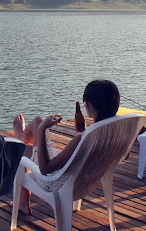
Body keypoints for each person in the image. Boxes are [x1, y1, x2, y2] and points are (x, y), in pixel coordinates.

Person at [12, 79, 120, 214]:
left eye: (84, 101)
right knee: (28, 146)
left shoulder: (84, 138)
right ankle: (21, 139)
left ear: (90, 106)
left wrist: (43, 129)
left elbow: (45, 169)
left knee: (37, 124)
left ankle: (20, 138)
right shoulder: (116, 133)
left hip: (56, 180)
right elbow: (124, 155)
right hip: (88, 182)